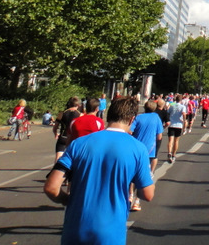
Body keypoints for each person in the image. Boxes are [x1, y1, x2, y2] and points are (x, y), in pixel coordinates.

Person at [44, 97, 154, 244]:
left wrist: (67, 201)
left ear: (108, 115)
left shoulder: (78, 144)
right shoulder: (138, 149)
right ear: (132, 119)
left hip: (75, 229)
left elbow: (51, 187)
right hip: (110, 232)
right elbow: (147, 194)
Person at [130, 99, 165, 211]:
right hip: (149, 151)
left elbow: (130, 131)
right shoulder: (156, 118)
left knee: (132, 174)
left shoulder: (139, 117)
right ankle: (137, 201)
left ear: (144, 108)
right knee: (142, 175)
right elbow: (159, 136)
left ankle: (130, 195)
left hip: (136, 149)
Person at [54, 97, 82, 161]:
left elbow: (55, 127)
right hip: (73, 138)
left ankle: (56, 169)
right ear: (78, 105)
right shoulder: (80, 115)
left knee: (58, 158)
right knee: (73, 158)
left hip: (63, 137)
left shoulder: (62, 113)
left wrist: (55, 133)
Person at [166, 95, 187, 163]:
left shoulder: (172, 106)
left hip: (172, 124)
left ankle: (169, 152)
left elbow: (168, 112)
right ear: (181, 100)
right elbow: (184, 113)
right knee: (176, 141)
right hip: (179, 125)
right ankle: (173, 155)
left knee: (170, 140)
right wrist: (184, 120)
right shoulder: (182, 107)